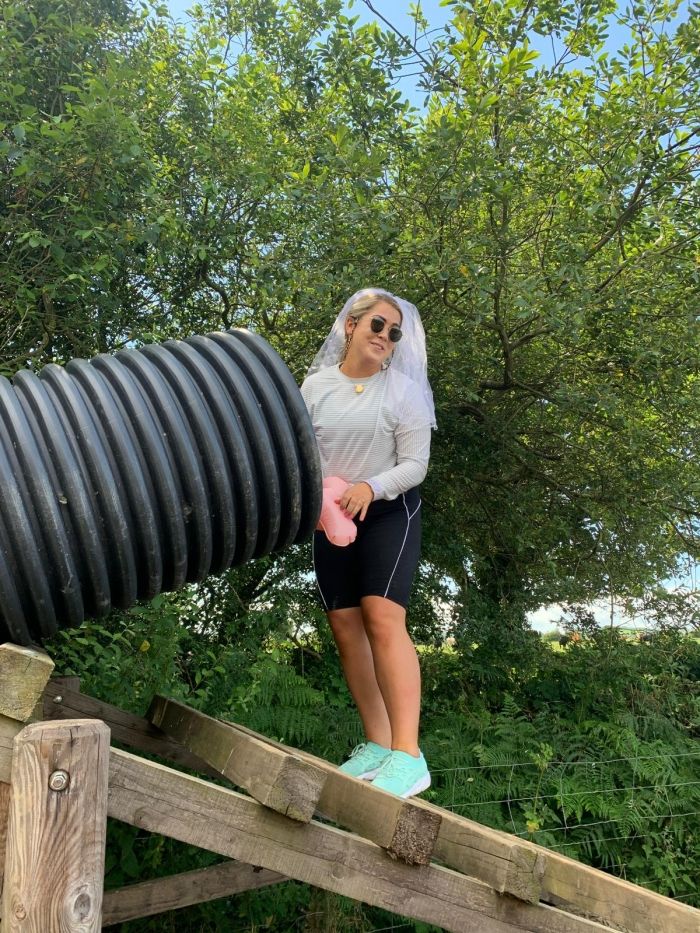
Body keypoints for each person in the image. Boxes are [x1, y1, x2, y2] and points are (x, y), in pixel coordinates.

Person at [300, 288, 436, 798]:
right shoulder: (315, 387)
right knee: (345, 625)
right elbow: (302, 455)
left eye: (394, 332)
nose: (385, 336)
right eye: (377, 324)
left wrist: (370, 488)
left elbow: (416, 465)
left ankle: (408, 756)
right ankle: (378, 746)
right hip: (332, 515)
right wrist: (313, 502)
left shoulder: (404, 393)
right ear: (351, 326)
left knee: (382, 617)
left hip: (388, 512)